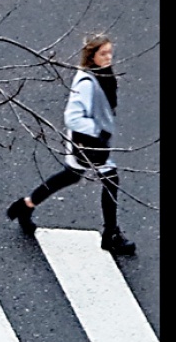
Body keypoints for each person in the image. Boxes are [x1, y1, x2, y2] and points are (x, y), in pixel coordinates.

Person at [7, 34, 135, 255]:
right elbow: (73, 117)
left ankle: (25, 206)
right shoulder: (86, 82)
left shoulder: (102, 75)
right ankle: (111, 235)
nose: (108, 57)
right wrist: (98, 130)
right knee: (110, 180)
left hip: (93, 141)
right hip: (88, 142)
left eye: (110, 52)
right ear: (91, 56)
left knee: (72, 175)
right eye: (103, 53)